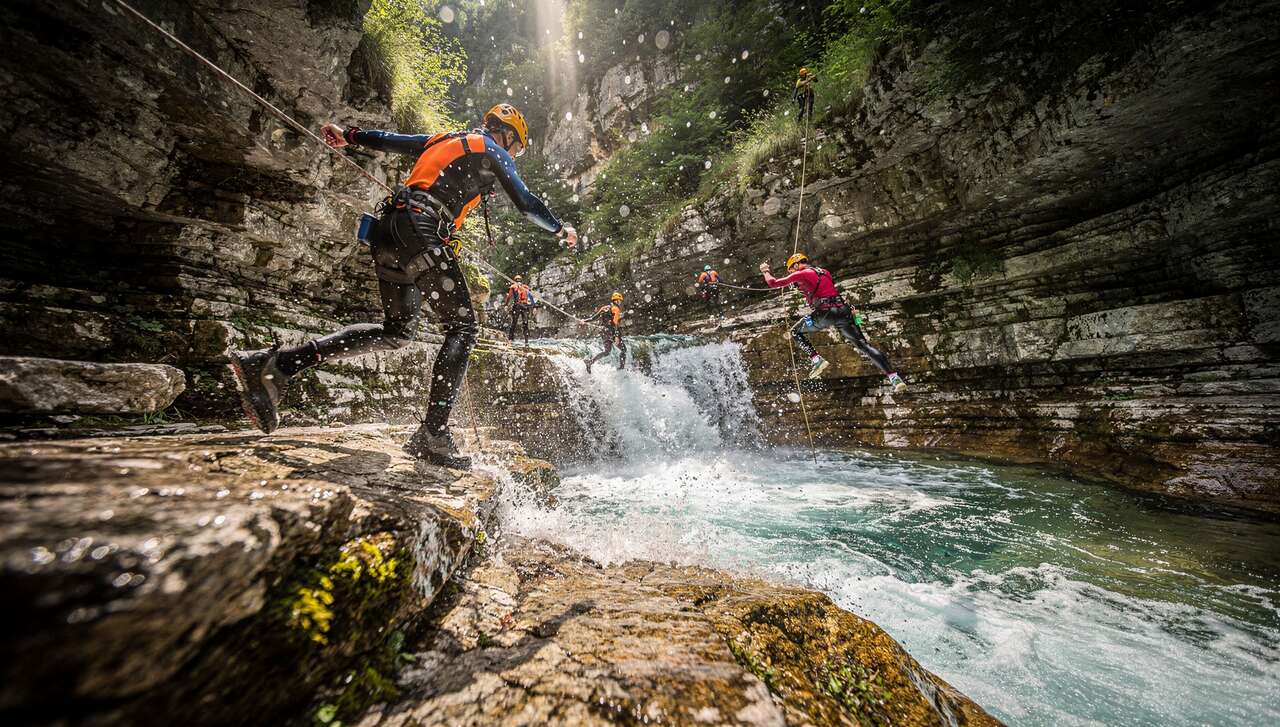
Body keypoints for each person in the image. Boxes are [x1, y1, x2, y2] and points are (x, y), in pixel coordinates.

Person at [228, 103, 577, 469]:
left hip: (390, 231)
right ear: (507, 135)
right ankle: (434, 435)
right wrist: (559, 230)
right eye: (516, 147)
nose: (513, 155)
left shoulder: (446, 139)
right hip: (420, 229)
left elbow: (393, 141)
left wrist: (349, 136)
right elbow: (526, 202)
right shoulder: (490, 149)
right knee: (463, 327)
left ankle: (278, 365)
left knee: (396, 331)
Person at [759, 252, 907, 391]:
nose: (792, 274)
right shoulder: (824, 272)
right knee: (864, 346)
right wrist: (797, 284)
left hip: (825, 313)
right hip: (844, 311)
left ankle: (817, 360)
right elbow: (816, 287)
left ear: (796, 265)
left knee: (794, 332)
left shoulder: (801, 273)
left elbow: (773, 283)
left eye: (791, 271)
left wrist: (765, 271)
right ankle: (894, 378)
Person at [585, 292, 626, 373]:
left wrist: (584, 321)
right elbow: (615, 324)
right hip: (612, 332)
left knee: (607, 352)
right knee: (624, 350)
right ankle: (621, 368)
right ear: (616, 301)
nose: (620, 303)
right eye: (619, 301)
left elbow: (594, 318)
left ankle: (590, 362)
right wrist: (617, 336)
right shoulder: (616, 309)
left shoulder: (604, 308)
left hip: (604, 332)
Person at [505, 274, 533, 346]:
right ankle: (526, 342)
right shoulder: (526, 287)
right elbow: (531, 296)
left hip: (517, 305)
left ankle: (510, 340)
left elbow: (509, 296)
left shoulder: (513, 286)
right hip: (525, 306)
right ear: (521, 280)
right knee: (525, 324)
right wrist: (533, 305)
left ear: (514, 280)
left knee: (514, 322)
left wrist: (506, 304)